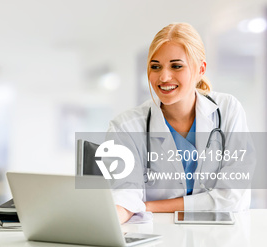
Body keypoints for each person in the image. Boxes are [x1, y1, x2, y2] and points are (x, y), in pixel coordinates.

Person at [106, 23, 255, 223]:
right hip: (160, 237)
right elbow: (124, 196)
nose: (164, 77)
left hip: (219, 238)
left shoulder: (228, 110)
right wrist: (114, 215)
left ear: (200, 69)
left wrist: (148, 206)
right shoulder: (125, 127)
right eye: (155, 66)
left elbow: (234, 197)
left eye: (176, 66)